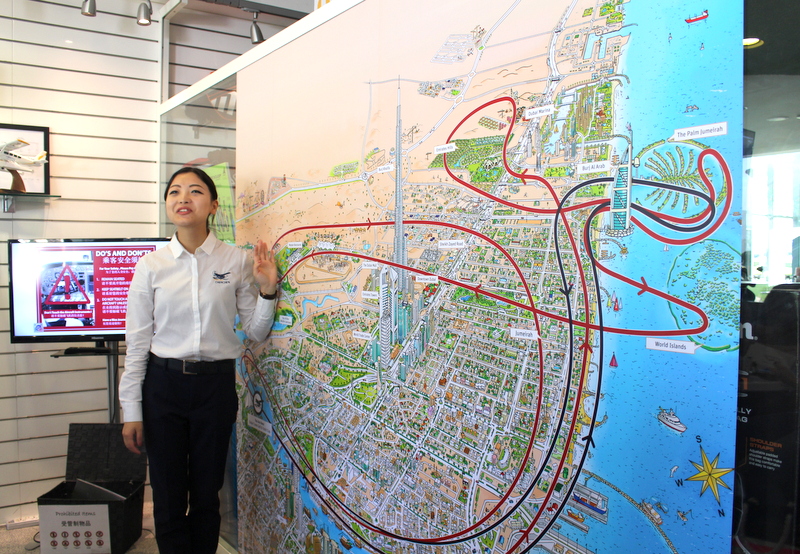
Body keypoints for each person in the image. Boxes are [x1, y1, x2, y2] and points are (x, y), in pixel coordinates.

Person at [119, 167, 278, 554]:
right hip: (163, 387)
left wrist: (268, 290)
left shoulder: (237, 261)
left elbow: (255, 332)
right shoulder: (151, 266)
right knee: (168, 494)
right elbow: (137, 344)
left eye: (194, 191)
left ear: (213, 205)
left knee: (207, 493)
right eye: (174, 192)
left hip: (214, 388)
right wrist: (131, 411)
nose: (183, 198)